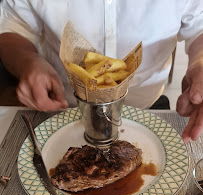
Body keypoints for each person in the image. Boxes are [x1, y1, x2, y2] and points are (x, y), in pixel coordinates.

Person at [0, 0, 203, 143]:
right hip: (59, 108)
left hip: (147, 107)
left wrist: (199, 63)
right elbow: (13, 26)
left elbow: (198, 26)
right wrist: (28, 62)